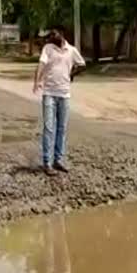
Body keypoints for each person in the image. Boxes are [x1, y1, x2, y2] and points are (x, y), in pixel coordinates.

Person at [32, 25, 86, 176]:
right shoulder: (48, 48)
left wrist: (72, 74)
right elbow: (41, 65)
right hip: (49, 93)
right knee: (49, 128)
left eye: (54, 33)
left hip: (64, 94)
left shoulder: (71, 50)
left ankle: (58, 160)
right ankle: (47, 163)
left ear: (62, 34)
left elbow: (82, 64)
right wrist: (37, 81)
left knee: (62, 128)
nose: (51, 36)